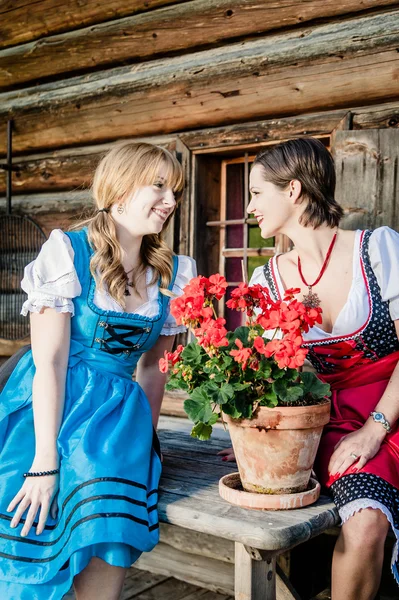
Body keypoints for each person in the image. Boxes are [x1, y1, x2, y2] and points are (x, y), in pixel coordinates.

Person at [0, 141, 196, 600]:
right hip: (49, 408)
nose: (171, 201)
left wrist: (145, 443)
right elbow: (49, 361)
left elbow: (152, 369)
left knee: (106, 524)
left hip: (116, 424)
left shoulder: (172, 274)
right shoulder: (66, 252)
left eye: (176, 191)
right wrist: (44, 461)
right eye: (160, 186)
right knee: (31, 525)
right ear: (120, 188)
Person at [219, 137, 399, 600]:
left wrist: (376, 427)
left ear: (294, 190)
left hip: (391, 412)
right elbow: (270, 377)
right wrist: (254, 429)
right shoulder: (268, 281)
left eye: (257, 193)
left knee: (366, 523)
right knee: (365, 523)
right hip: (326, 424)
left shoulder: (378, 250)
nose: (249, 207)